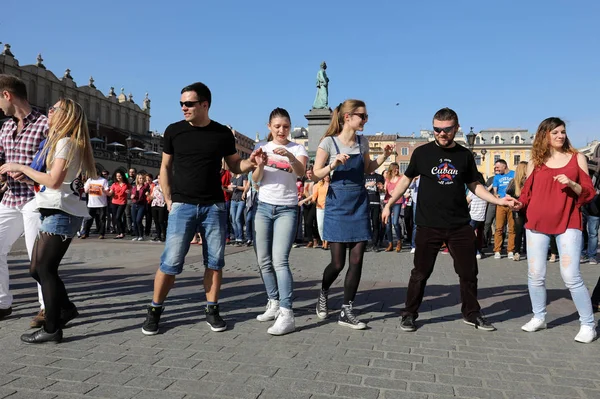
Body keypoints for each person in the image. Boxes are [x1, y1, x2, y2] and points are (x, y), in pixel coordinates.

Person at [141, 82, 264, 335]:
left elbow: (234, 166)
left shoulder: (221, 133)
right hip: (182, 205)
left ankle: (212, 308)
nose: (183, 107)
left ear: (204, 105)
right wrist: (167, 197)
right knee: (171, 262)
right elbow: (165, 167)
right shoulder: (174, 131)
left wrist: (251, 163)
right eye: (181, 103)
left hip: (214, 206)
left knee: (215, 262)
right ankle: (154, 310)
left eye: (189, 103)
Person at [383, 107, 516, 332]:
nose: (441, 134)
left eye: (446, 130)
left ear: (456, 128)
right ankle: (409, 314)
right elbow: (405, 180)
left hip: (459, 225)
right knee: (420, 273)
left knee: (468, 272)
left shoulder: (464, 155)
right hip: (428, 224)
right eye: (437, 130)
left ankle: (472, 314)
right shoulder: (422, 153)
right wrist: (388, 203)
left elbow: (475, 185)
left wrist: (498, 201)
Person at [0, 98, 96, 343]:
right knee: (36, 268)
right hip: (52, 208)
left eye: (54, 109)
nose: (49, 112)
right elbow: (52, 180)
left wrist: (19, 165)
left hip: (60, 212)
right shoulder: (61, 142)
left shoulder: (65, 142)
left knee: (45, 269)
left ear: (66, 115)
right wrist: (28, 176)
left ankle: (52, 328)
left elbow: (53, 181)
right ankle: (66, 308)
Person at [312, 99, 393, 329]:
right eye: (362, 116)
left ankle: (346, 310)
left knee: (357, 259)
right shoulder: (328, 143)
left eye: (366, 116)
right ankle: (324, 292)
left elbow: (367, 168)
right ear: (348, 117)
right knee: (337, 264)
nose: (365, 120)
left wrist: (384, 156)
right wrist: (333, 165)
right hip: (337, 204)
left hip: (358, 203)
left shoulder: (362, 141)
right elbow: (315, 174)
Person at [514, 117, 596, 343]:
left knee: (571, 275)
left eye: (563, 132)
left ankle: (588, 324)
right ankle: (539, 317)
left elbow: (588, 192)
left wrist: (571, 183)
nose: (560, 136)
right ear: (545, 135)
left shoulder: (576, 157)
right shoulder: (535, 162)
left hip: (568, 221)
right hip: (536, 223)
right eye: (555, 132)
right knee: (535, 275)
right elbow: (526, 195)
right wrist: (517, 203)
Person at [252, 107, 308, 335]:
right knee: (263, 260)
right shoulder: (261, 148)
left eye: (285, 126)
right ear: (269, 127)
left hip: (287, 208)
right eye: (277, 127)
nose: (282, 130)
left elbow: (301, 172)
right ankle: (273, 302)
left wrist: (290, 157)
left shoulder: (297, 148)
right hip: (263, 207)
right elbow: (256, 180)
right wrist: (260, 164)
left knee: (280, 260)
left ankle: (287, 312)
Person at [0, 74, 47, 325]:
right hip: (10, 197)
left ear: (7, 95)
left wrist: (26, 171)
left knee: (37, 256)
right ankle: (2, 302)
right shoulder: (6, 127)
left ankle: (46, 307)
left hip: (35, 198)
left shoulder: (45, 124)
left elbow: (55, 166)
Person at [505, 161, 529, 261]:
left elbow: (508, 194)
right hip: (525, 208)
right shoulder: (522, 181)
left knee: (518, 231)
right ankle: (524, 251)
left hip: (519, 208)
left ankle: (517, 252)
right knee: (525, 231)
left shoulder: (514, 181)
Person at [493, 160, 516, 259]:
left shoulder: (514, 174)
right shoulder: (497, 177)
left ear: (504, 166)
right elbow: (495, 190)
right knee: (499, 228)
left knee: (512, 228)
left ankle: (510, 250)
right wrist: (495, 195)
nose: (496, 169)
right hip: (501, 204)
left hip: (512, 203)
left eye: (498, 167)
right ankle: (497, 250)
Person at [82, 171, 110, 239]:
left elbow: (107, 191)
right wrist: (88, 188)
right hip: (92, 203)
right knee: (89, 219)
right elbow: (85, 190)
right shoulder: (89, 180)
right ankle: (86, 233)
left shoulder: (103, 180)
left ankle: (101, 234)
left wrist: (103, 190)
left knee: (102, 219)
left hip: (102, 203)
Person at [466, 173, 487, 260]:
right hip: (482, 216)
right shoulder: (485, 189)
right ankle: (479, 250)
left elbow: (467, 201)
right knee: (479, 235)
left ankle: (475, 251)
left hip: (473, 215)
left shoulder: (474, 190)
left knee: (469, 235)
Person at [384, 162, 403, 252]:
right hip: (388, 202)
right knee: (388, 224)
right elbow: (385, 190)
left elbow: (402, 189)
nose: (397, 170)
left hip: (397, 201)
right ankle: (390, 243)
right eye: (395, 168)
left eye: (398, 168)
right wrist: (381, 188)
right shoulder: (387, 179)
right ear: (391, 169)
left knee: (395, 222)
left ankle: (399, 241)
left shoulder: (400, 179)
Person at [365, 170, 384, 252]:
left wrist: (380, 187)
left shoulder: (379, 176)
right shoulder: (364, 176)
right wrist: (367, 185)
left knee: (375, 224)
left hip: (376, 202)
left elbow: (382, 189)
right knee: (365, 224)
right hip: (366, 203)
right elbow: (360, 187)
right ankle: (364, 244)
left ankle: (375, 244)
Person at [108, 171, 130, 239]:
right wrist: (104, 191)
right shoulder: (114, 184)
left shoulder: (126, 184)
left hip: (122, 202)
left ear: (123, 176)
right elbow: (110, 193)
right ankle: (120, 232)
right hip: (114, 202)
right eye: (117, 176)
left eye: (120, 176)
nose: (118, 178)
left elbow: (132, 190)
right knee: (116, 218)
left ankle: (122, 232)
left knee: (118, 217)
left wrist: (129, 192)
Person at [229, 172, 247, 246]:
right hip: (233, 200)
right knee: (233, 220)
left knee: (237, 219)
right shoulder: (233, 177)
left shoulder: (243, 176)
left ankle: (240, 237)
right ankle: (236, 237)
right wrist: (225, 188)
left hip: (240, 200)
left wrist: (236, 186)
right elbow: (231, 189)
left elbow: (245, 187)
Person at [130, 173, 150, 241]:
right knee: (134, 221)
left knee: (138, 220)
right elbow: (132, 195)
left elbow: (147, 186)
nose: (141, 179)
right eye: (139, 178)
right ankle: (137, 235)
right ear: (137, 179)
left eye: (142, 178)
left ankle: (141, 235)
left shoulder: (145, 186)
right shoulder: (134, 187)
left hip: (142, 205)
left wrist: (145, 181)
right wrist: (132, 196)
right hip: (134, 204)